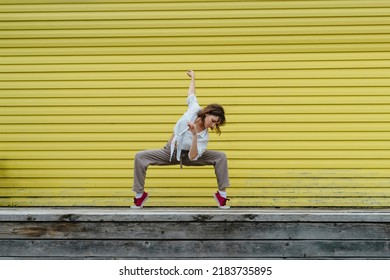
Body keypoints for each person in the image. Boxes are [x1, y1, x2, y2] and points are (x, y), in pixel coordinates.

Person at [131, 70, 230, 209]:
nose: (212, 125)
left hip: (189, 156)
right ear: (207, 113)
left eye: (216, 124)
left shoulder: (203, 136)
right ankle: (139, 196)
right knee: (140, 157)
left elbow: (193, 155)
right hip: (170, 151)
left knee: (220, 157)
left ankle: (222, 196)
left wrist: (195, 134)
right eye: (213, 121)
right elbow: (191, 93)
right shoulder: (194, 109)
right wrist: (193, 78)